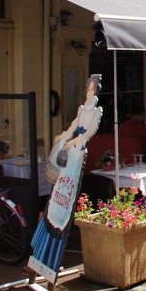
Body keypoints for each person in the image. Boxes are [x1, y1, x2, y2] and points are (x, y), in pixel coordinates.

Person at [31, 74, 103, 278]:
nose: (90, 93)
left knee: (66, 197)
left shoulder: (97, 111)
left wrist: (73, 142)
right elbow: (73, 127)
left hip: (78, 154)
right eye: (88, 89)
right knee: (56, 195)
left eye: (93, 90)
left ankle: (52, 259)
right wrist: (62, 136)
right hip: (70, 153)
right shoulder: (81, 109)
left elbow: (88, 133)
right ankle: (39, 258)